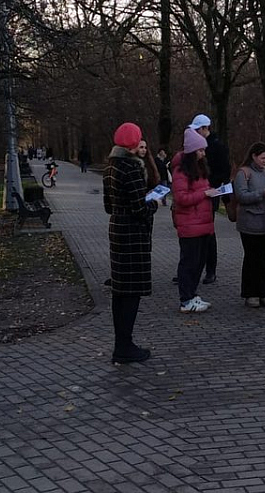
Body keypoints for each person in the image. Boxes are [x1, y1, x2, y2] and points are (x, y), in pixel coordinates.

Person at [102, 122, 158, 364]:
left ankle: (121, 342)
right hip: (133, 235)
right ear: (134, 143)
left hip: (117, 229)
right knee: (132, 292)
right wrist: (153, 203)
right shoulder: (132, 168)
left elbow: (108, 206)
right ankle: (125, 346)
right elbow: (139, 208)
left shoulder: (110, 167)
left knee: (120, 291)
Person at [172, 127, 218, 313]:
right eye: (200, 150)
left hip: (203, 223)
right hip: (190, 225)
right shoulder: (181, 172)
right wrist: (204, 194)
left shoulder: (200, 169)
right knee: (189, 263)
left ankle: (192, 294)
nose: (203, 153)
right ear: (191, 151)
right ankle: (186, 299)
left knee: (199, 262)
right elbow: (181, 198)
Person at [234, 142, 265, 307]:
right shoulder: (243, 173)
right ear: (253, 156)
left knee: (262, 258)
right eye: (262, 158)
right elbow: (241, 196)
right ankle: (250, 293)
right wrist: (262, 193)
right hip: (250, 223)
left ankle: (263, 292)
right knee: (252, 258)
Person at [189, 114, 225, 283]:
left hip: (211, 192)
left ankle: (210, 269)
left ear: (205, 129)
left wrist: (212, 185)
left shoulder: (217, 147)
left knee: (208, 233)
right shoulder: (195, 145)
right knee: (193, 231)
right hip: (197, 192)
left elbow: (224, 170)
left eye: (198, 129)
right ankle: (192, 267)